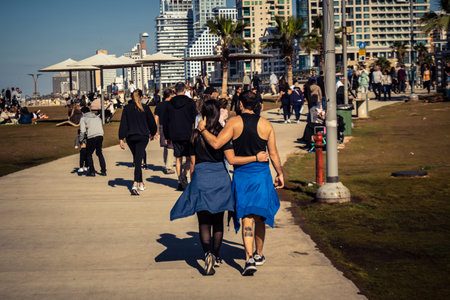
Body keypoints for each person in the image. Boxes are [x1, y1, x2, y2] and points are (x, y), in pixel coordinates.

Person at [170, 100, 268, 276]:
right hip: (220, 179)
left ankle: (207, 253)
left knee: (204, 222)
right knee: (218, 222)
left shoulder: (195, 135)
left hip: (201, 177)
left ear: (204, 114)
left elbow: (192, 163)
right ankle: (215, 254)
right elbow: (229, 157)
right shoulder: (223, 134)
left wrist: (195, 181)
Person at [197, 90, 284, 276]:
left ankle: (249, 258)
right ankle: (259, 254)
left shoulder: (233, 123)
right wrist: (280, 173)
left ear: (241, 104)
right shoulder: (266, 125)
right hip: (262, 176)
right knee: (261, 217)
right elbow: (274, 153)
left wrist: (202, 129)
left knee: (246, 217)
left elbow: (216, 144)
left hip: (242, 176)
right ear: (257, 105)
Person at [119, 89, 157, 195]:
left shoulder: (127, 108)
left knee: (137, 160)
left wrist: (121, 138)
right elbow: (152, 123)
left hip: (131, 137)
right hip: (142, 136)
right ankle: (135, 183)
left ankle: (141, 182)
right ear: (141, 97)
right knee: (138, 161)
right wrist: (153, 133)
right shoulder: (145, 108)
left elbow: (123, 124)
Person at [163, 82, 197, 191]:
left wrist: (167, 137)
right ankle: (185, 174)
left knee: (178, 157)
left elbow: (166, 122)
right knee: (189, 158)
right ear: (184, 90)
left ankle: (179, 180)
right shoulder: (190, 102)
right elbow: (194, 118)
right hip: (188, 133)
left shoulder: (169, 104)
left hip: (175, 133)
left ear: (175, 91)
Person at [80, 106, 106, 177]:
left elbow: (82, 131)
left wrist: (81, 139)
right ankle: (103, 171)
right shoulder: (97, 117)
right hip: (100, 135)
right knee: (99, 152)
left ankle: (92, 171)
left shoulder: (83, 118)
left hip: (92, 136)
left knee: (89, 154)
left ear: (82, 112)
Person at [154, 88, 176, 174]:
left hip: (162, 126)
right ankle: (169, 167)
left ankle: (166, 163)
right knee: (170, 147)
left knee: (166, 146)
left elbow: (156, 118)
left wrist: (155, 130)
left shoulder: (159, 105)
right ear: (170, 95)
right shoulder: (173, 104)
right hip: (171, 126)